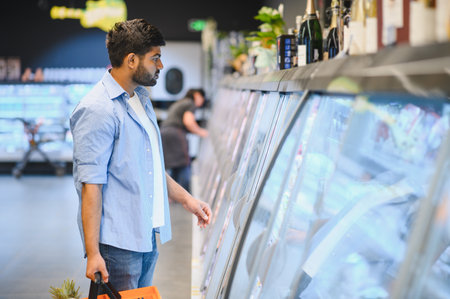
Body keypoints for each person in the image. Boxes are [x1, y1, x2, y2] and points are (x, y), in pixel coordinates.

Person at [70, 19, 211, 292]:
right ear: (131, 60)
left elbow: (150, 168)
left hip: (145, 234)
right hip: (117, 245)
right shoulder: (97, 109)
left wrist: (188, 200)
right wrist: (94, 252)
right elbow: (91, 185)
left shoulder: (141, 99)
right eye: (155, 58)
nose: (160, 65)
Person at [160, 89, 208, 193]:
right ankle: (183, 193)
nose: (202, 101)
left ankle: (170, 195)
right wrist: (202, 132)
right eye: (202, 98)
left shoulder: (181, 102)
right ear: (197, 95)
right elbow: (188, 122)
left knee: (171, 164)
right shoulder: (190, 103)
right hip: (175, 133)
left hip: (164, 132)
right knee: (184, 163)